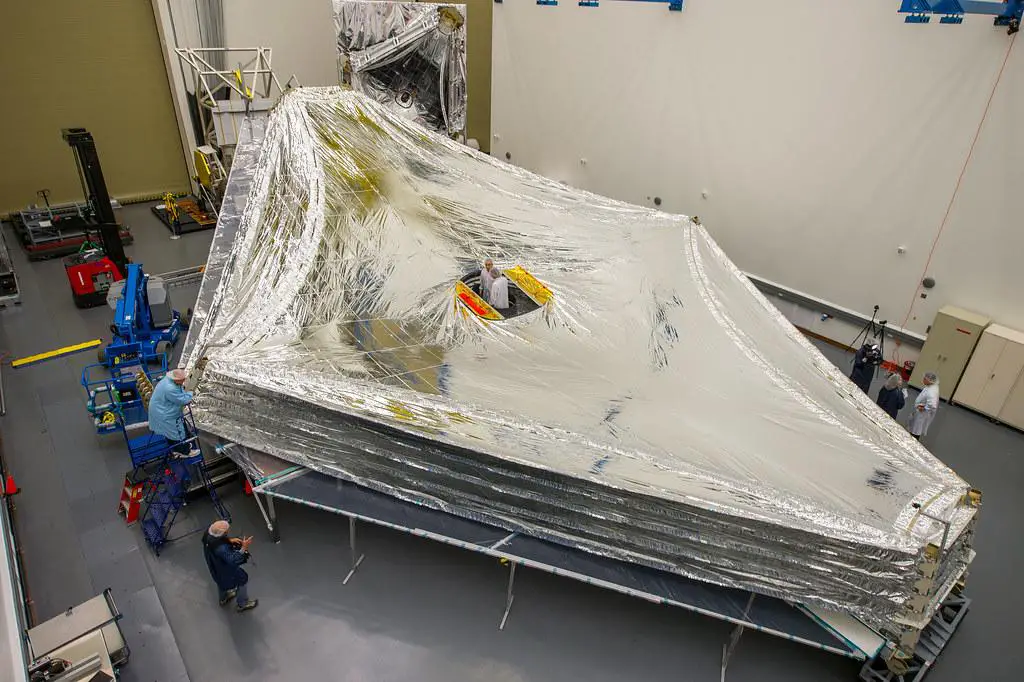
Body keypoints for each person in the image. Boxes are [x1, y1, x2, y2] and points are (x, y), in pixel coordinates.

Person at [202, 520, 258, 612]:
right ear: (223, 533)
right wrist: (244, 547)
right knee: (242, 579)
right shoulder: (222, 549)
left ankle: (223, 598)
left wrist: (228, 540)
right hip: (226, 570)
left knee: (220, 582)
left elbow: (216, 541)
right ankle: (242, 604)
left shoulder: (208, 535)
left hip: (215, 566)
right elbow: (234, 560)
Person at [149, 368, 196, 456]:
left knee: (169, 432)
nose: (183, 382)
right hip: (164, 414)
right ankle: (184, 452)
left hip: (160, 409)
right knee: (176, 432)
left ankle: (175, 449)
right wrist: (190, 393)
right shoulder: (170, 388)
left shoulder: (167, 380)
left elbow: (179, 390)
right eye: (182, 381)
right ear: (176, 379)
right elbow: (183, 400)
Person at [908, 372, 940, 440]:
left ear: (930, 380)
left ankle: (914, 440)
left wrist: (924, 408)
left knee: (917, 429)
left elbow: (933, 405)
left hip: (922, 414)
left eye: (925, 379)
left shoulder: (931, 391)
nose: (923, 380)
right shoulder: (931, 386)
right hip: (920, 412)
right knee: (915, 427)